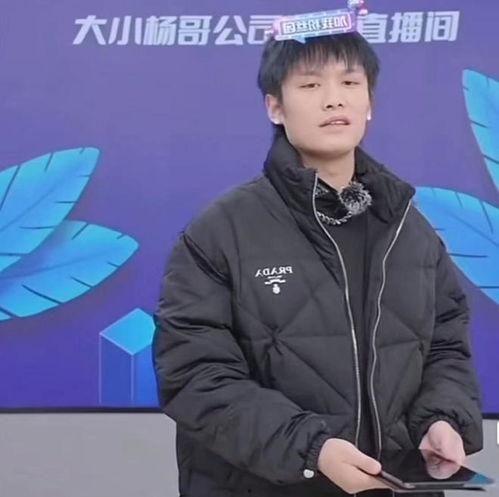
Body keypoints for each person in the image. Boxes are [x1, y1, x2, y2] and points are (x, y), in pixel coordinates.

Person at [153, 7, 483, 497]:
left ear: (369, 103)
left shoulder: (408, 229)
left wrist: (441, 419)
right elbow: (195, 376)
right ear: (275, 107)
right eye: (310, 85)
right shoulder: (220, 231)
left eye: (350, 83)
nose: (334, 99)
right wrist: (312, 450)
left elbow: (445, 347)